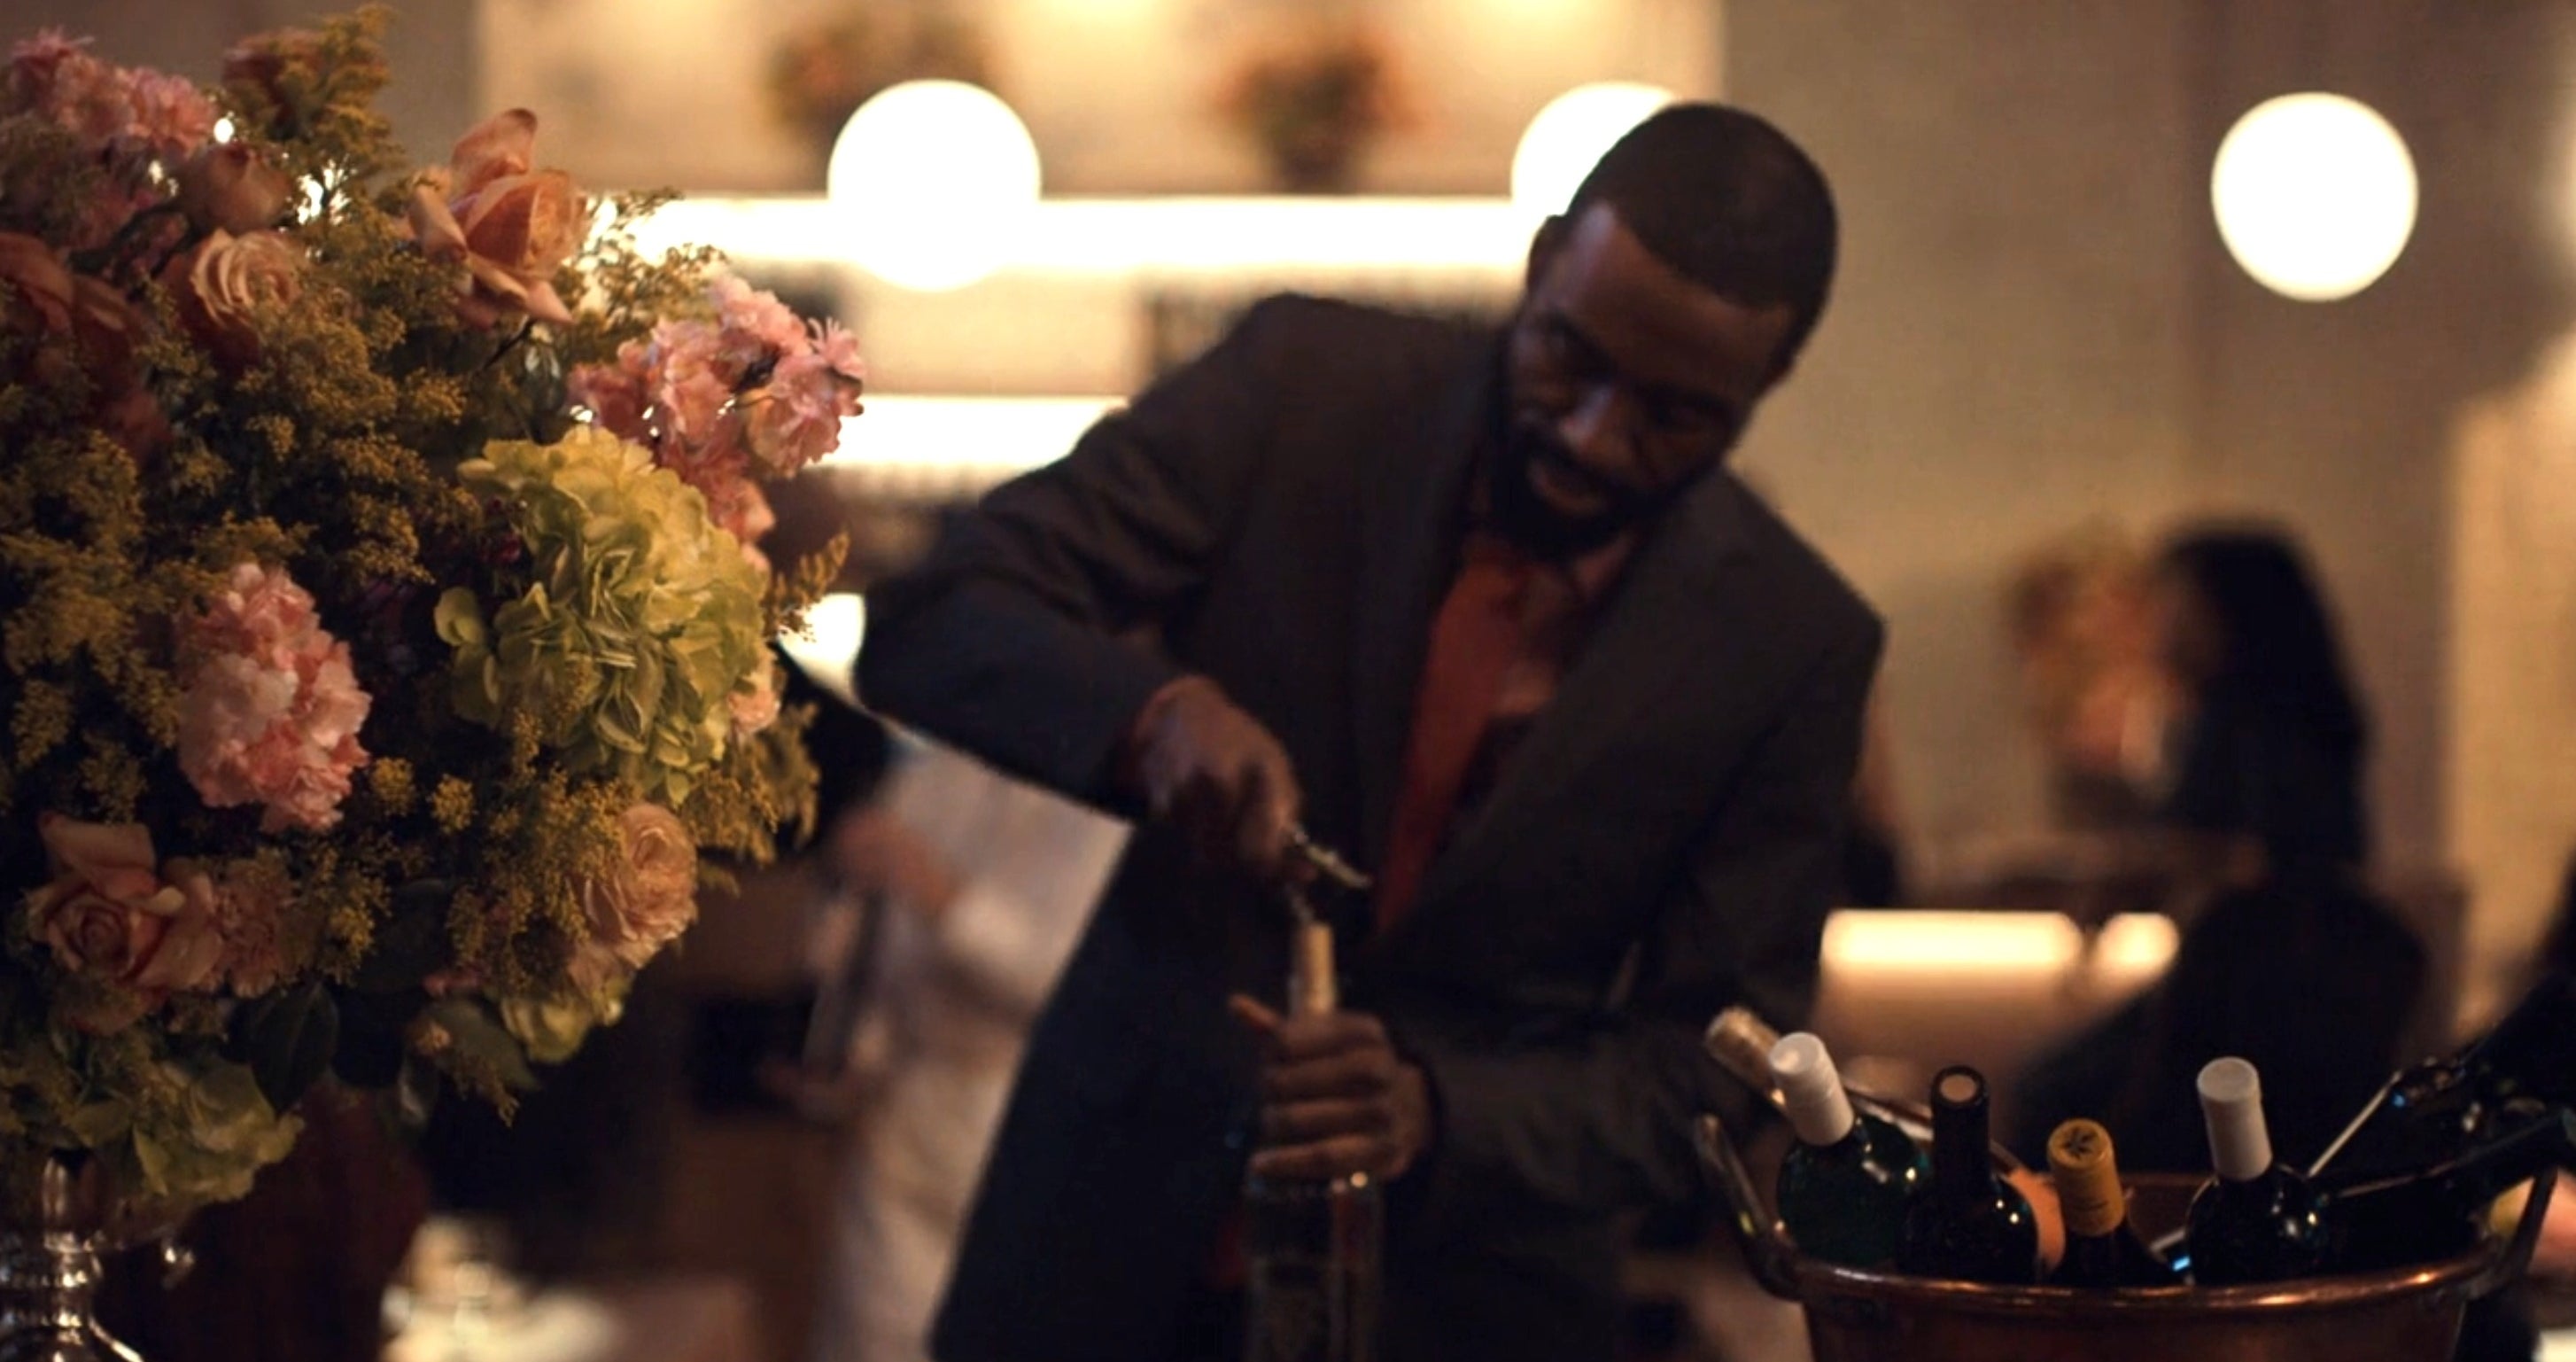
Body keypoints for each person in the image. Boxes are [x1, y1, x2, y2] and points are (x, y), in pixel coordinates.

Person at [857, 103, 1876, 1362]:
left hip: (1478, 1304)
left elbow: (1719, 1066)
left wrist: (1446, 1113)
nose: (1592, 435)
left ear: (1765, 390)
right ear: (1545, 257)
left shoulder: (1794, 640)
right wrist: (1153, 718)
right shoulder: (1304, 392)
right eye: (1568, 358)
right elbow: (934, 614)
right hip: (1100, 1245)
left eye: (1675, 417)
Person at [803, 733, 1130, 1362]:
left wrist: (944, 895)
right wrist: (851, 1048)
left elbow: (1072, 985)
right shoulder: (930, 771)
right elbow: (878, 950)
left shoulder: (1107, 797)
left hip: (1015, 1127)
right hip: (897, 1124)